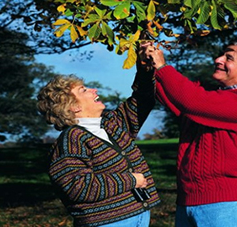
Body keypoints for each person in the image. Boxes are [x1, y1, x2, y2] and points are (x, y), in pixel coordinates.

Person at [144, 39, 237, 227]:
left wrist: (163, 67)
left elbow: (192, 100)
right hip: (188, 199)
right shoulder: (215, 99)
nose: (218, 59)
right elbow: (171, 96)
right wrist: (147, 66)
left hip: (225, 203)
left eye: (228, 57)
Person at [37, 57, 160, 227]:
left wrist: (145, 71)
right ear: (73, 107)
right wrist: (131, 180)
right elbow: (77, 187)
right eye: (84, 90)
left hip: (138, 216)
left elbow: (142, 100)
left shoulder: (111, 124)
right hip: (107, 223)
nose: (94, 90)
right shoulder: (71, 140)